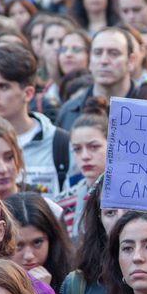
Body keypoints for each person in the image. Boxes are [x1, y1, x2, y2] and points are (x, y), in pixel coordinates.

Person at [58, 176, 123, 294]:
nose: (121, 221)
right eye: (110, 212)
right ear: (99, 218)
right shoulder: (77, 286)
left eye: (130, 209)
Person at [55, 98, 108, 240]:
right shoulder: (63, 202)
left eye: (94, 146)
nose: (85, 156)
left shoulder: (129, 199)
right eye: (77, 149)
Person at [6, 192, 74, 294]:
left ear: (51, 241)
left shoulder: (72, 284)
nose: (29, 256)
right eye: (18, 245)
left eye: (37, 242)